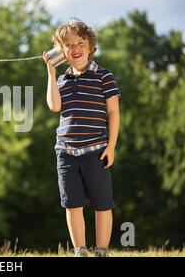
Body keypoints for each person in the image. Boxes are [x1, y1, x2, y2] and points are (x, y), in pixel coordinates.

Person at [43, 19, 120, 257]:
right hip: (66, 153)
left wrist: (111, 147)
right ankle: (80, 250)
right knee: (72, 204)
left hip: (95, 150)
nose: (75, 48)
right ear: (62, 52)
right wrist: (51, 72)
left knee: (102, 204)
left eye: (80, 43)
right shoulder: (62, 80)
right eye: (68, 45)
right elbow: (54, 106)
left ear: (90, 46)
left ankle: (102, 250)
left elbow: (113, 112)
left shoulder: (103, 76)